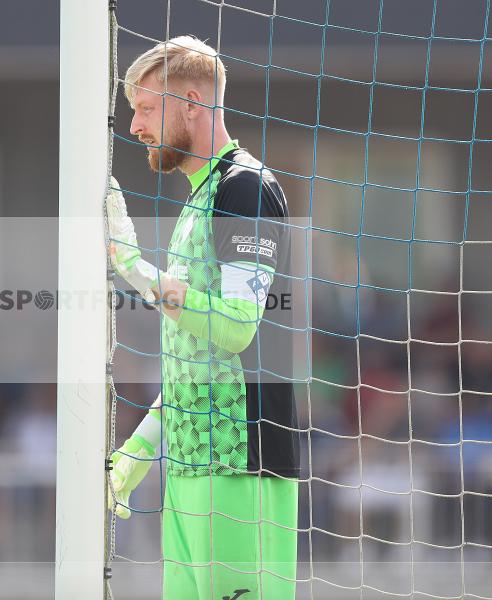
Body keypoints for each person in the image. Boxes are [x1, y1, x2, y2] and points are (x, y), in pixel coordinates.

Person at [107, 35, 300, 600]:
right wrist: (137, 454)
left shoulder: (244, 188)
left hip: (243, 466)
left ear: (191, 102)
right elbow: (197, 365)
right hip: (192, 470)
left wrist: (133, 267)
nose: (135, 126)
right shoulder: (200, 196)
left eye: (146, 108)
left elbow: (237, 327)